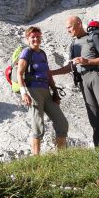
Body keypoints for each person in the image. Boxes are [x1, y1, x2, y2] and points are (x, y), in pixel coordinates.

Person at [51, 16, 99, 146]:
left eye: (70, 27)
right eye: (67, 28)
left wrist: (87, 61)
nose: (68, 30)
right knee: (93, 115)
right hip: (83, 80)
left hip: (97, 75)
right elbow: (70, 66)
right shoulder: (73, 44)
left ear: (79, 24)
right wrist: (51, 73)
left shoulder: (93, 37)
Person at [18, 26, 68, 155]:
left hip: (46, 92)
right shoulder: (26, 52)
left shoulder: (43, 53)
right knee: (38, 125)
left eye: (38, 36)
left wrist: (55, 93)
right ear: (28, 39)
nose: (36, 39)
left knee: (62, 123)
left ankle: (61, 156)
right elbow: (19, 74)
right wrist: (24, 93)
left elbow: (48, 74)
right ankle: (36, 158)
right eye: (33, 37)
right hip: (32, 91)